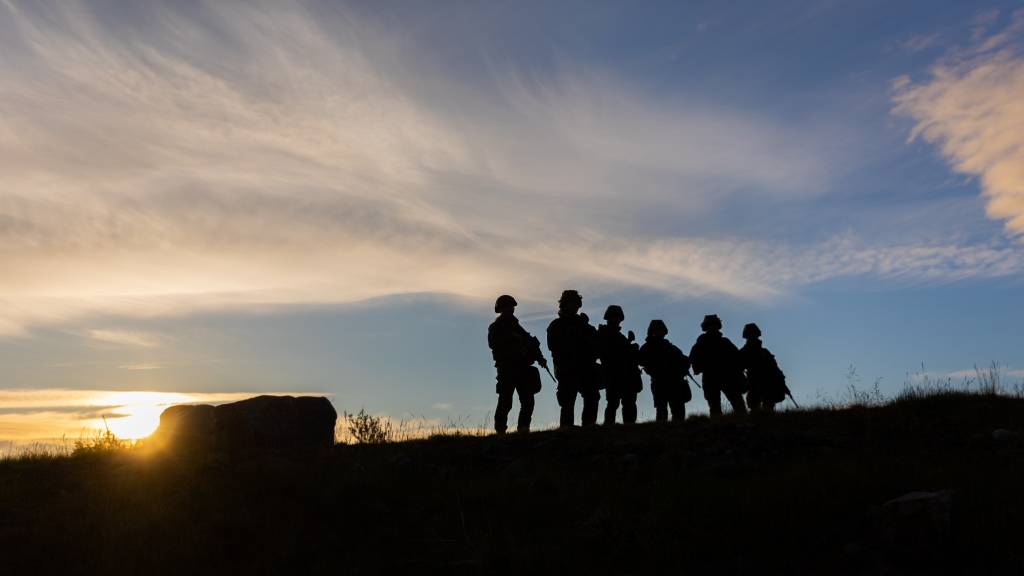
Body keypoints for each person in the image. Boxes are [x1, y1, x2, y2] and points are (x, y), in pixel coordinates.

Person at [487, 294, 548, 434]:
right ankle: (500, 430)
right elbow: (493, 344)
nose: (511, 309)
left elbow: (531, 344)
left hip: (522, 369)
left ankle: (523, 429)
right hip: (507, 369)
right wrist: (513, 340)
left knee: (528, 401)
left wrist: (540, 358)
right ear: (501, 308)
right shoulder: (496, 327)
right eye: (508, 306)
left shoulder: (517, 327)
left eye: (512, 306)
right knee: (505, 401)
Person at [547, 290, 601, 427]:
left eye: (577, 303)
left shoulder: (584, 325)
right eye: (572, 303)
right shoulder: (557, 325)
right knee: (568, 402)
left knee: (592, 397)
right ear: (565, 304)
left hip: (585, 368)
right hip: (567, 369)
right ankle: (567, 431)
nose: (575, 306)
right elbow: (554, 347)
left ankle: (588, 429)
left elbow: (596, 344)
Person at [689, 314, 747, 417]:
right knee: (715, 408)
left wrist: (738, 371)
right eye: (710, 325)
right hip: (710, 378)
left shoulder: (725, 342)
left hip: (728, 377)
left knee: (738, 405)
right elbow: (693, 359)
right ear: (706, 327)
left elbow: (738, 358)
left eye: (714, 324)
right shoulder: (701, 343)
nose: (713, 327)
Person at [638, 319, 691, 422]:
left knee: (678, 410)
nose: (659, 332)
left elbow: (685, 361)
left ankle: (678, 433)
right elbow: (640, 361)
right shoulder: (647, 347)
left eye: (661, 330)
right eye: (657, 330)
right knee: (662, 411)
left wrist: (682, 367)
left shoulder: (671, 347)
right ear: (652, 332)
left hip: (675, 382)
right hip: (659, 381)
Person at [597, 305, 642, 425]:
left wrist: (630, 346)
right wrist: (629, 346)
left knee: (628, 403)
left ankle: (628, 427)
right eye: (613, 317)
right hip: (613, 374)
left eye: (617, 317)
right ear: (608, 318)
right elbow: (610, 352)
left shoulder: (619, 336)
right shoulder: (604, 333)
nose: (615, 320)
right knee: (613, 403)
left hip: (626, 375)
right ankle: (609, 428)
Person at [740, 323, 788, 413]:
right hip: (753, 384)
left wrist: (781, 381)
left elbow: (775, 369)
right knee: (754, 409)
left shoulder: (764, 352)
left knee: (768, 408)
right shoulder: (744, 352)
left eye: (754, 335)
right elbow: (738, 370)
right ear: (747, 337)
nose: (753, 337)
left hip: (767, 384)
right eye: (750, 335)